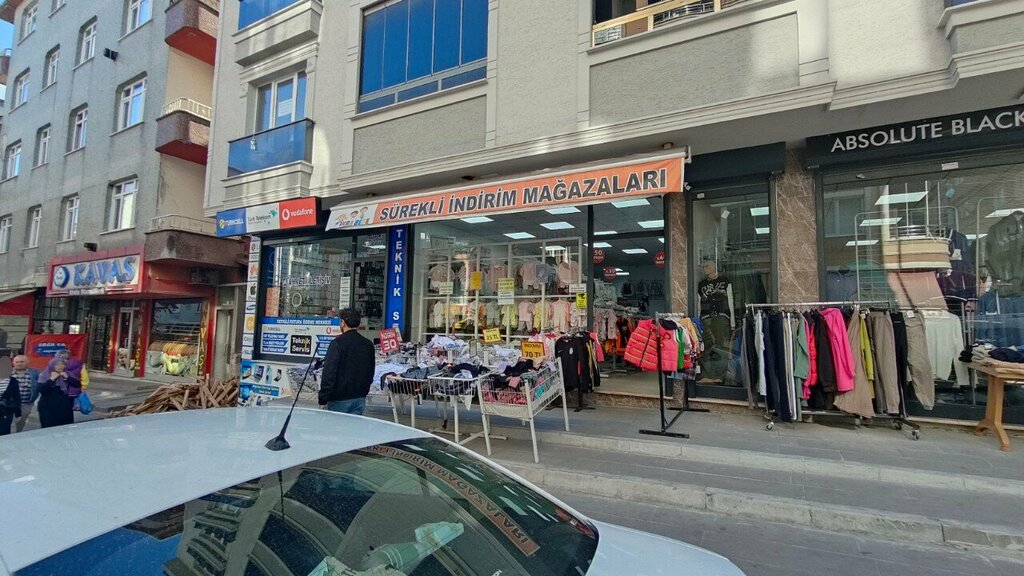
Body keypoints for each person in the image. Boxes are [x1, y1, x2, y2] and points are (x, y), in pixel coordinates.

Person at [319, 308, 375, 415]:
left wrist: (323, 398)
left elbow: (329, 373)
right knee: (353, 430)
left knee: (337, 430)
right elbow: (370, 371)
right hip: (360, 396)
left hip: (339, 398)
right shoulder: (368, 345)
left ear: (343, 323)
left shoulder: (337, 344)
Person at [37, 357, 82, 428]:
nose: (60, 366)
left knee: (65, 427)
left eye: (62, 364)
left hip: (64, 406)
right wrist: (51, 380)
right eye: (57, 364)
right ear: (52, 365)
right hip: (48, 407)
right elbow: (42, 390)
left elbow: (77, 384)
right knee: (49, 427)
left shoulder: (67, 373)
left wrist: (67, 378)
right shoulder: (44, 375)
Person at [10, 354, 40, 433]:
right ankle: (10, 437)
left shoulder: (34, 373)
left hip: (26, 403)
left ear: (27, 362)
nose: (19, 363)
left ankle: (17, 435)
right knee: (10, 422)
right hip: (10, 404)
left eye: (22, 361)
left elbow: (40, 384)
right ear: (13, 363)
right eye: (17, 362)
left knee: (21, 422)